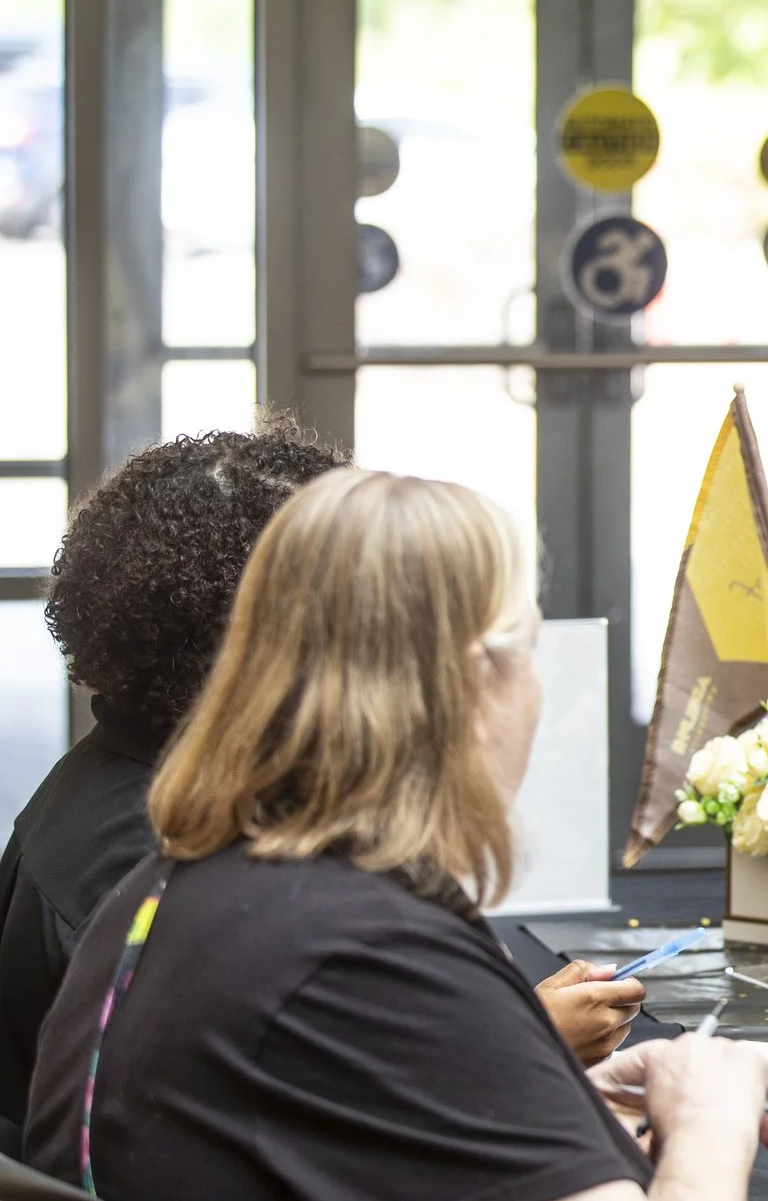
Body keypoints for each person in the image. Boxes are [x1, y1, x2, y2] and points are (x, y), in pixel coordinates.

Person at [21, 468, 768, 1201]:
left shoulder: (176, 891)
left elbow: (320, 1140)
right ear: (466, 681)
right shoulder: (360, 952)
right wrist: (710, 1120)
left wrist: (554, 1111)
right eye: (527, 648)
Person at [0, 427, 643, 1159]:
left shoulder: (123, 790)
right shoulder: (174, 870)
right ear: (285, 636)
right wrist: (525, 1044)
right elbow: (303, 1127)